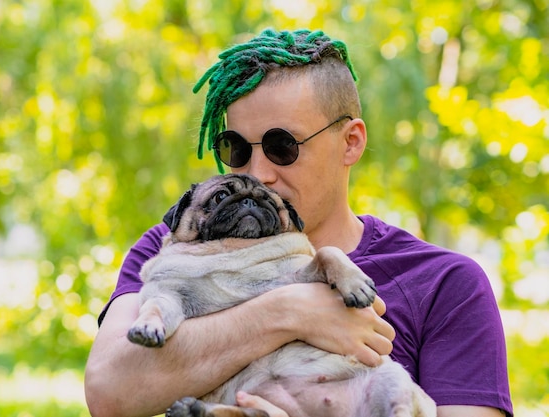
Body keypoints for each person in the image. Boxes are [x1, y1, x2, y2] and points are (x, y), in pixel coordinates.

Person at [84, 28, 513, 417]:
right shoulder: (176, 246)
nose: (256, 173)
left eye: (282, 146)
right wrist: (286, 313)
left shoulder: (443, 283)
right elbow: (109, 392)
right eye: (235, 148)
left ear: (351, 142)